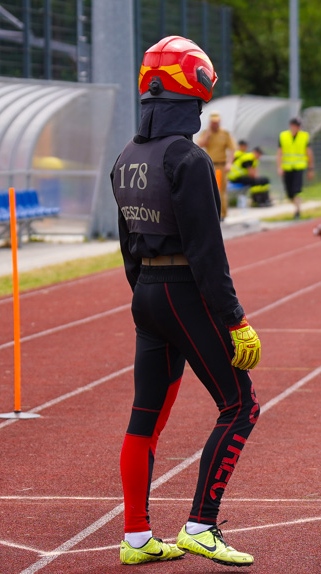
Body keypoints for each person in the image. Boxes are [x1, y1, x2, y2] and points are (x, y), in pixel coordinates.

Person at [112, 35, 261, 567]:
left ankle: (136, 539)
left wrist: (147, 300)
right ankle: (200, 524)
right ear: (189, 92)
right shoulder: (189, 159)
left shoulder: (126, 157)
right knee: (240, 405)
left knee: (145, 418)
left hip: (146, 297)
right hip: (183, 294)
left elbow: (127, 247)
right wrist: (235, 320)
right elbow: (206, 253)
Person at [197, 111, 236, 219]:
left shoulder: (224, 133)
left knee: (220, 190)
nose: (215, 124)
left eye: (217, 122)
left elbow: (232, 148)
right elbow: (200, 145)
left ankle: (222, 214)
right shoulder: (206, 133)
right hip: (210, 165)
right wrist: (208, 133)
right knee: (209, 189)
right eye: (213, 122)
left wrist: (229, 163)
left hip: (221, 165)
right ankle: (211, 214)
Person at [276, 117, 314, 219]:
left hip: (299, 166)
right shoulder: (283, 135)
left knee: (297, 189)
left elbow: (309, 152)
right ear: (291, 126)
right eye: (295, 125)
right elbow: (279, 152)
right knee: (289, 192)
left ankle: (297, 211)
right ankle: (296, 206)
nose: (297, 128)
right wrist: (279, 167)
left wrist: (311, 168)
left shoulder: (304, 136)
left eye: (298, 126)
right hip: (287, 167)